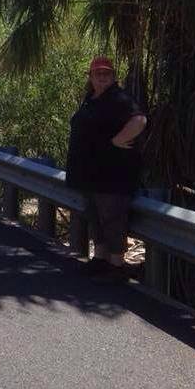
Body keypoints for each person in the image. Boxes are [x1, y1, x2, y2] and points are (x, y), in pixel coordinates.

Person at [65, 56, 147, 280]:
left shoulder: (119, 98)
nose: (102, 77)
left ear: (113, 76)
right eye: (97, 73)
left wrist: (118, 140)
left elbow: (139, 120)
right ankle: (100, 259)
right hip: (91, 176)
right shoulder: (91, 98)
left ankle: (117, 266)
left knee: (112, 219)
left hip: (113, 176)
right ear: (90, 77)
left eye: (106, 74)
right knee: (96, 218)